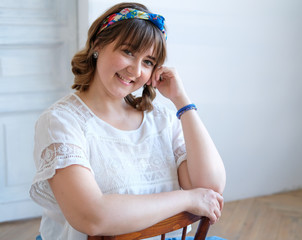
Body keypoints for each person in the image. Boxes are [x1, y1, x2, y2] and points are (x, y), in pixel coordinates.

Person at [30, 2, 226, 240]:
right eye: (128, 52)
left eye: (148, 62)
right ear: (98, 45)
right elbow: (93, 217)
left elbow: (211, 187)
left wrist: (181, 101)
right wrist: (188, 198)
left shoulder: (161, 119)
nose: (135, 70)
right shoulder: (61, 122)